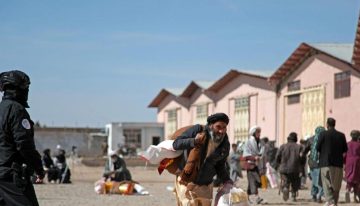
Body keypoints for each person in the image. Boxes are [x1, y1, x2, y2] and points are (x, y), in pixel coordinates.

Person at [0, 70, 45, 206]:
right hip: (10, 175)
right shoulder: (17, 110)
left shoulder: (2, 109)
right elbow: (24, 144)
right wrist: (38, 168)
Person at [172, 113, 233, 206]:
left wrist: (227, 180)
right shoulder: (197, 130)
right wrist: (193, 141)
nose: (221, 131)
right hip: (186, 181)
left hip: (206, 186)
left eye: (224, 127)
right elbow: (176, 144)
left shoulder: (224, 145)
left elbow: (220, 166)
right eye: (218, 127)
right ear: (211, 125)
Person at [316, 117, 348, 206]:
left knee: (326, 183)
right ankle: (335, 202)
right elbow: (345, 149)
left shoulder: (322, 134)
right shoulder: (341, 135)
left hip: (325, 163)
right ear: (334, 124)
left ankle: (330, 201)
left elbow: (317, 147)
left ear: (327, 124)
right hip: (338, 163)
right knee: (336, 185)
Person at [275, 132, 302, 202]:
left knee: (286, 180)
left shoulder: (283, 146)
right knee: (295, 182)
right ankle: (293, 196)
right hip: (295, 168)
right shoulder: (299, 147)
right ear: (296, 139)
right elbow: (302, 158)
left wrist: (279, 164)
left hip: (284, 168)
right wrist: (301, 166)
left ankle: (285, 188)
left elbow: (277, 156)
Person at [242, 125, 265, 204]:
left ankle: (246, 197)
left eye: (259, 132)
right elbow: (245, 155)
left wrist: (260, 156)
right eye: (257, 132)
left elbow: (261, 152)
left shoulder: (259, 142)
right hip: (250, 165)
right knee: (255, 181)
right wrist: (254, 158)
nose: (259, 134)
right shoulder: (248, 142)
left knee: (253, 182)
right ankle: (257, 197)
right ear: (253, 133)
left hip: (257, 165)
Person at [302, 126, 325, 203]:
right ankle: (319, 195)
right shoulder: (325, 139)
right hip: (322, 162)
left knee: (315, 179)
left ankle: (314, 195)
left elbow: (305, 150)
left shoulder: (311, 139)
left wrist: (303, 156)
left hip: (312, 162)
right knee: (320, 180)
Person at [344, 130, 360, 203]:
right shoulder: (359, 144)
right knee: (357, 180)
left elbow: (344, 154)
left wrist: (344, 163)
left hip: (349, 162)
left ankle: (348, 190)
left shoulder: (347, 144)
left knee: (349, 178)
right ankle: (355, 197)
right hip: (357, 163)